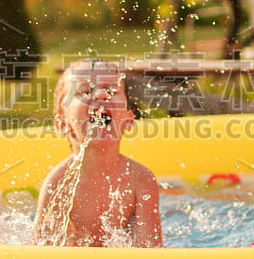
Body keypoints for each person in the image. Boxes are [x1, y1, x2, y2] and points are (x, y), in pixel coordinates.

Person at [32, 59, 162, 247]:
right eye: (85, 91)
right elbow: (42, 252)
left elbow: (152, 251)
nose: (101, 95)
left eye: (111, 91)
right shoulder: (58, 183)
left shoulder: (140, 180)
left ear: (128, 119)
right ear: (63, 124)